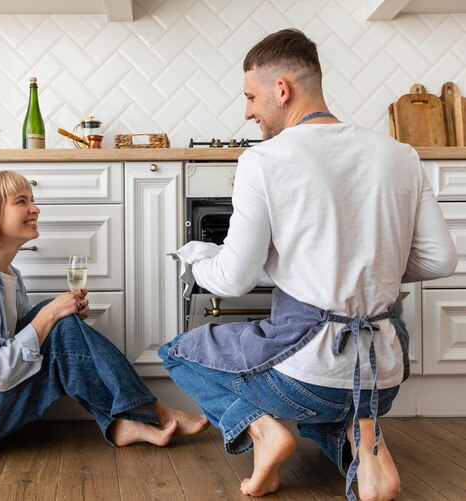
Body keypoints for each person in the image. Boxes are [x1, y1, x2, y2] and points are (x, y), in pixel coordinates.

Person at [159, 28, 457, 501]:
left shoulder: (265, 159)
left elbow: (234, 277)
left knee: (177, 352)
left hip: (310, 375)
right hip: (384, 379)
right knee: (330, 403)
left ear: (282, 90)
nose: (248, 111)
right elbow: (440, 260)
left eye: (251, 96)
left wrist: (196, 260)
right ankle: (365, 439)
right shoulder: (400, 154)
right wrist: (362, 268)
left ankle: (263, 432)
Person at [0, 170, 208, 493]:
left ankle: (124, 423)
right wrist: (51, 315)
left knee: (57, 321)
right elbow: (0, 373)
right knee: (55, 321)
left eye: (32, 200)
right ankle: (152, 411)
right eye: (22, 201)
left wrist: (57, 315)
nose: (35, 209)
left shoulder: (9, 275)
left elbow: (30, 342)